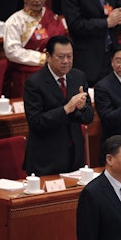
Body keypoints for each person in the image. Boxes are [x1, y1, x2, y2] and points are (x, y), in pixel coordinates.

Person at [23, 35, 94, 176]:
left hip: (75, 155)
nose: (66, 61)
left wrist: (82, 108)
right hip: (46, 158)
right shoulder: (34, 83)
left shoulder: (78, 77)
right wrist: (66, 109)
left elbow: (89, 117)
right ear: (48, 56)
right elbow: (36, 122)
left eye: (69, 56)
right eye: (61, 57)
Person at [3, 0, 67, 98]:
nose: (37, 0)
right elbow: (12, 51)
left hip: (54, 74)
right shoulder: (15, 21)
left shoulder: (54, 18)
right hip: (25, 76)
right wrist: (42, 58)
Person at [61, 0, 121, 87]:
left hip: (112, 53)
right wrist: (106, 23)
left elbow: (120, 8)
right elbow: (75, 24)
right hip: (88, 57)